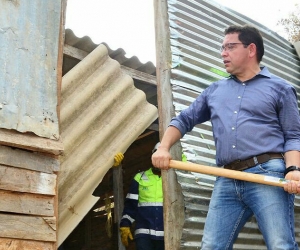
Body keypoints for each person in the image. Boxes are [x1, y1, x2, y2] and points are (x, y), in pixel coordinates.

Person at [152, 24, 300, 250]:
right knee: (211, 247)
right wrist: (163, 148)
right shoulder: (214, 91)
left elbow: (293, 136)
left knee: (281, 245)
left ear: (251, 50)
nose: (223, 53)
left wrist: (294, 170)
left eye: (230, 47)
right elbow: (184, 120)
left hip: (267, 174)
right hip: (226, 177)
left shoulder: (280, 89)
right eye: (222, 48)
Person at [120, 143, 164, 250]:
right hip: (144, 235)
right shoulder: (139, 178)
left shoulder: (173, 178)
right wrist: (125, 224)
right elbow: (131, 205)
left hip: (166, 234)